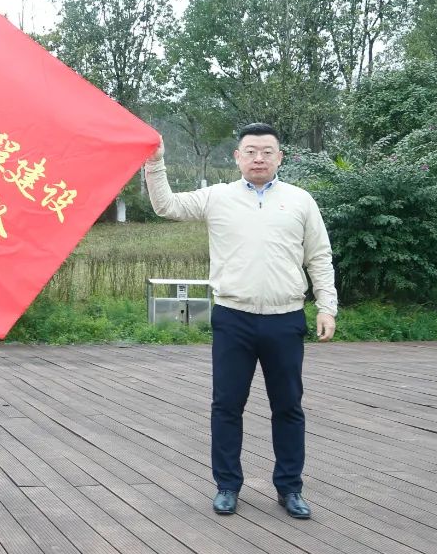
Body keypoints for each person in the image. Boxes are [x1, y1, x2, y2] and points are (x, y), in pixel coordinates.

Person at [144, 123, 336, 520]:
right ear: (237, 157)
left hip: (285, 317)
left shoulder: (300, 200)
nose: (258, 158)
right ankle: (227, 486)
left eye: (266, 152)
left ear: (280, 157)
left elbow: (319, 256)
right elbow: (167, 206)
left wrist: (327, 306)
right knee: (227, 405)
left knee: (288, 407)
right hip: (234, 317)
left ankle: (290, 488)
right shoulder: (219, 197)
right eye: (250, 151)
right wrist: (155, 162)